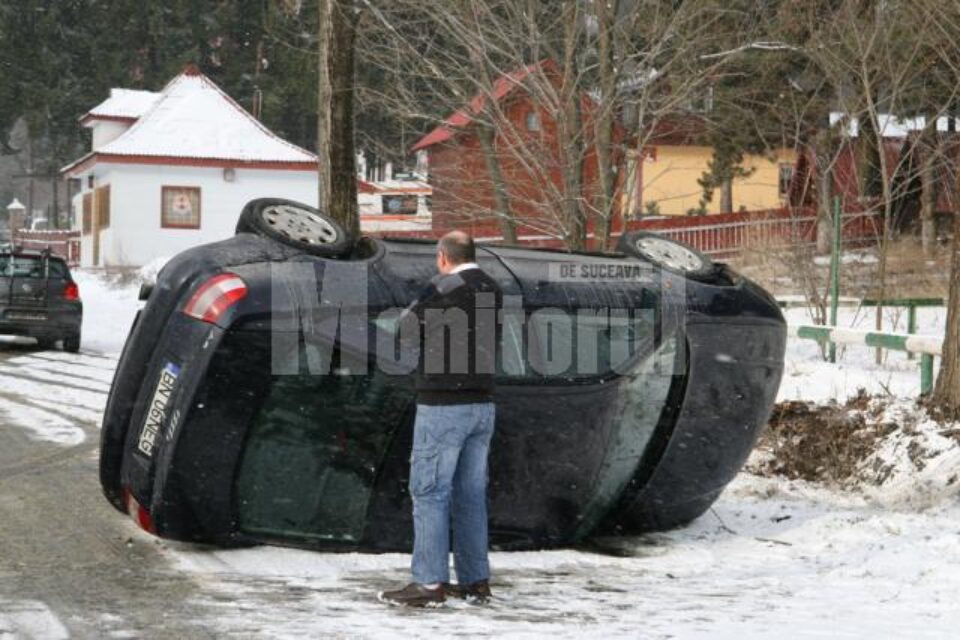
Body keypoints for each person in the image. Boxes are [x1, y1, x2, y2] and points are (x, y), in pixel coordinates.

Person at [378, 231, 502, 608]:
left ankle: (429, 584)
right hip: (482, 405)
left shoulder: (444, 287)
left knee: (429, 492)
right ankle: (475, 581)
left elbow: (405, 331)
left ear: (443, 257)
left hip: (443, 405)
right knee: (470, 496)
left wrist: (428, 292)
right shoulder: (493, 288)